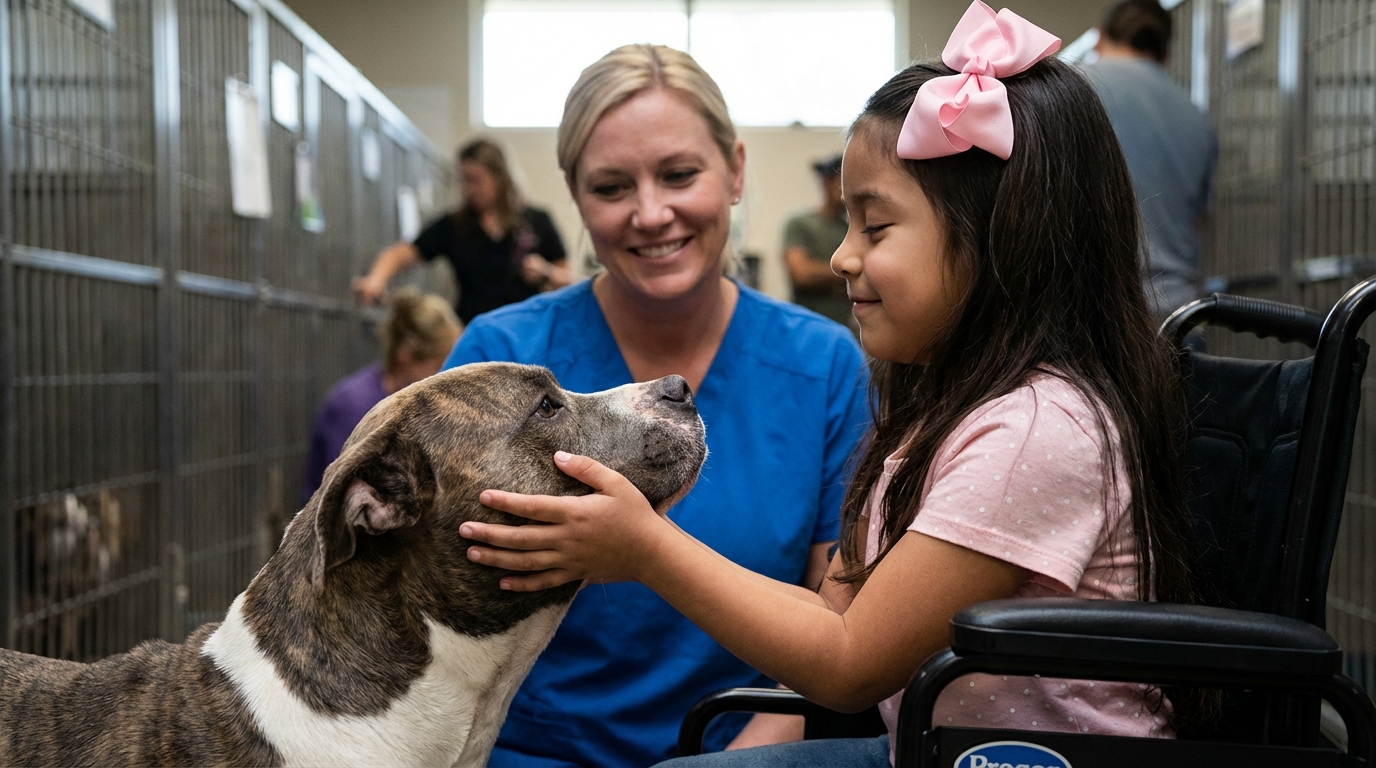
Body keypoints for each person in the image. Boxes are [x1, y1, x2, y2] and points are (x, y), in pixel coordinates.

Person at [460, 3, 1201, 765]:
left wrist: (647, 547)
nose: (842, 258)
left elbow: (844, 657)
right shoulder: (932, 412)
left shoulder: (1027, 427)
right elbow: (836, 614)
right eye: (613, 186)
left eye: (874, 229)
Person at [441, 44, 871, 766]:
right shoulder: (502, 356)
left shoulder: (823, 367)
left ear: (734, 171)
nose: (651, 213)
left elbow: (841, 628)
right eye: (612, 187)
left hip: (745, 751)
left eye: (679, 175)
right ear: (575, 196)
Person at [1083, 0, 1217, 320]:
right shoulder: (1197, 118)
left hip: (1096, 316)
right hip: (1178, 315)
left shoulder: (1074, 88)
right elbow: (1199, 218)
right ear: (1167, 54)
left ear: (1099, 38)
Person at [353, 138, 573, 324]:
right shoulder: (455, 225)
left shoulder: (536, 221)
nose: (469, 189)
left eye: (475, 180)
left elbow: (567, 278)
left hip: (525, 331)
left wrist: (545, 272)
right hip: (471, 333)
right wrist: (376, 279)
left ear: (500, 177)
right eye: (464, 180)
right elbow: (402, 253)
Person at [302, 290, 460, 502]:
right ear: (406, 354)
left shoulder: (414, 404)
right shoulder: (354, 404)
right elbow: (342, 492)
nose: (445, 374)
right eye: (440, 364)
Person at [782, 155, 851, 325]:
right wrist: (845, 274)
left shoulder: (848, 228)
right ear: (828, 182)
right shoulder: (800, 222)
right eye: (844, 182)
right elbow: (801, 273)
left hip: (845, 328)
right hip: (806, 327)